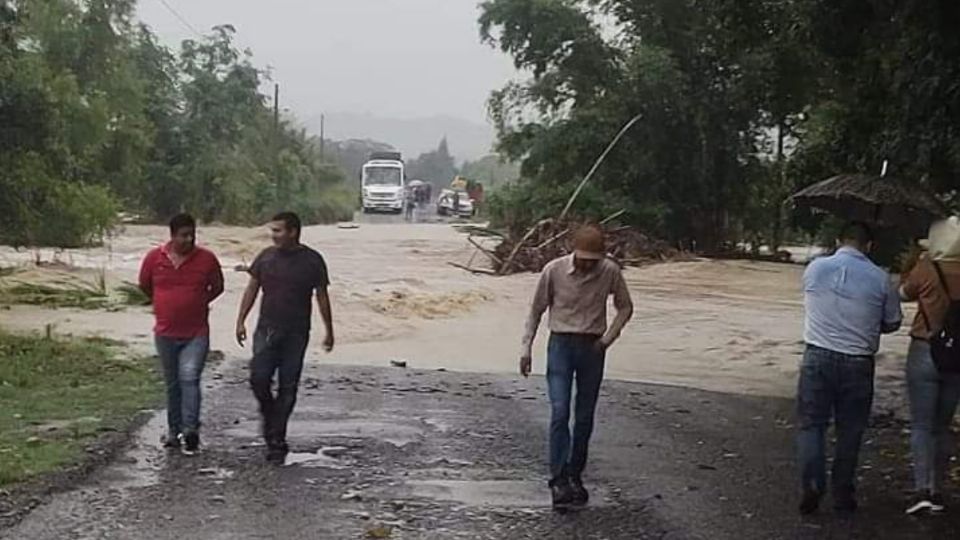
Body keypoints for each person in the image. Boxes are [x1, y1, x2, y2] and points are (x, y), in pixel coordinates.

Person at [520, 224, 634, 510]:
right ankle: (558, 478)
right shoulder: (553, 271)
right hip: (560, 345)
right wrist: (526, 349)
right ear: (574, 253)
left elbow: (625, 307)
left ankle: (575, 474)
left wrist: (608, 339)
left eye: (593, 260)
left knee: (584, 417)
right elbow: (536, 311)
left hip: (593, 347)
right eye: (584, 259)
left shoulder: (609, 272)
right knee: (560, 411)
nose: (588, 264)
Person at [797, 221, 902, 515]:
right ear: (869, 246)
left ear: (837, 240)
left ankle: (813, 484)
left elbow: (812, 301)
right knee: (850, 430)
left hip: (817, 356)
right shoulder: (881, 278)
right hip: (858, 362)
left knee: (812, 424)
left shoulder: (815, 268)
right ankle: (843, 492)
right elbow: (892, 322)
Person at [235, 212, 335, 463]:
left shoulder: (313, 261)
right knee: (259, 378)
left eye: (278, 231)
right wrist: (240, 320)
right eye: (273, 231)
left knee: (288, 387)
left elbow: (322, 297)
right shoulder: (265, 257)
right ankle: (270, 416)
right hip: (266, 329)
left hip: (297, 333)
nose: (274, 235)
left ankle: (276, 437)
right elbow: (252, 288)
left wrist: (329, 330)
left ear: (293, 232)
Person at [138, 213, 224, 456]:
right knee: (172, 384)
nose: (189, 240)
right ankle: (173, 432)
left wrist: (198, 301)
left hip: (196, 332)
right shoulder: (155, 258)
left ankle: (190, 430)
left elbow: (217, 287)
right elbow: (145, 285)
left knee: (189, 377)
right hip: (165, 332)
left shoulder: (207, 259)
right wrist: (163, 302)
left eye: (192, 235)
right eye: (184, 235)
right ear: (172, 235)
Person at [899, 217, 960, 515]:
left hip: (924, 349)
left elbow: (902, 293)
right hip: (957, 357)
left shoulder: (926, 267)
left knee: (922, 425)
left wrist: (913, 260)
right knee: (942, 427)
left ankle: (922, 489)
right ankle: (938, 491)